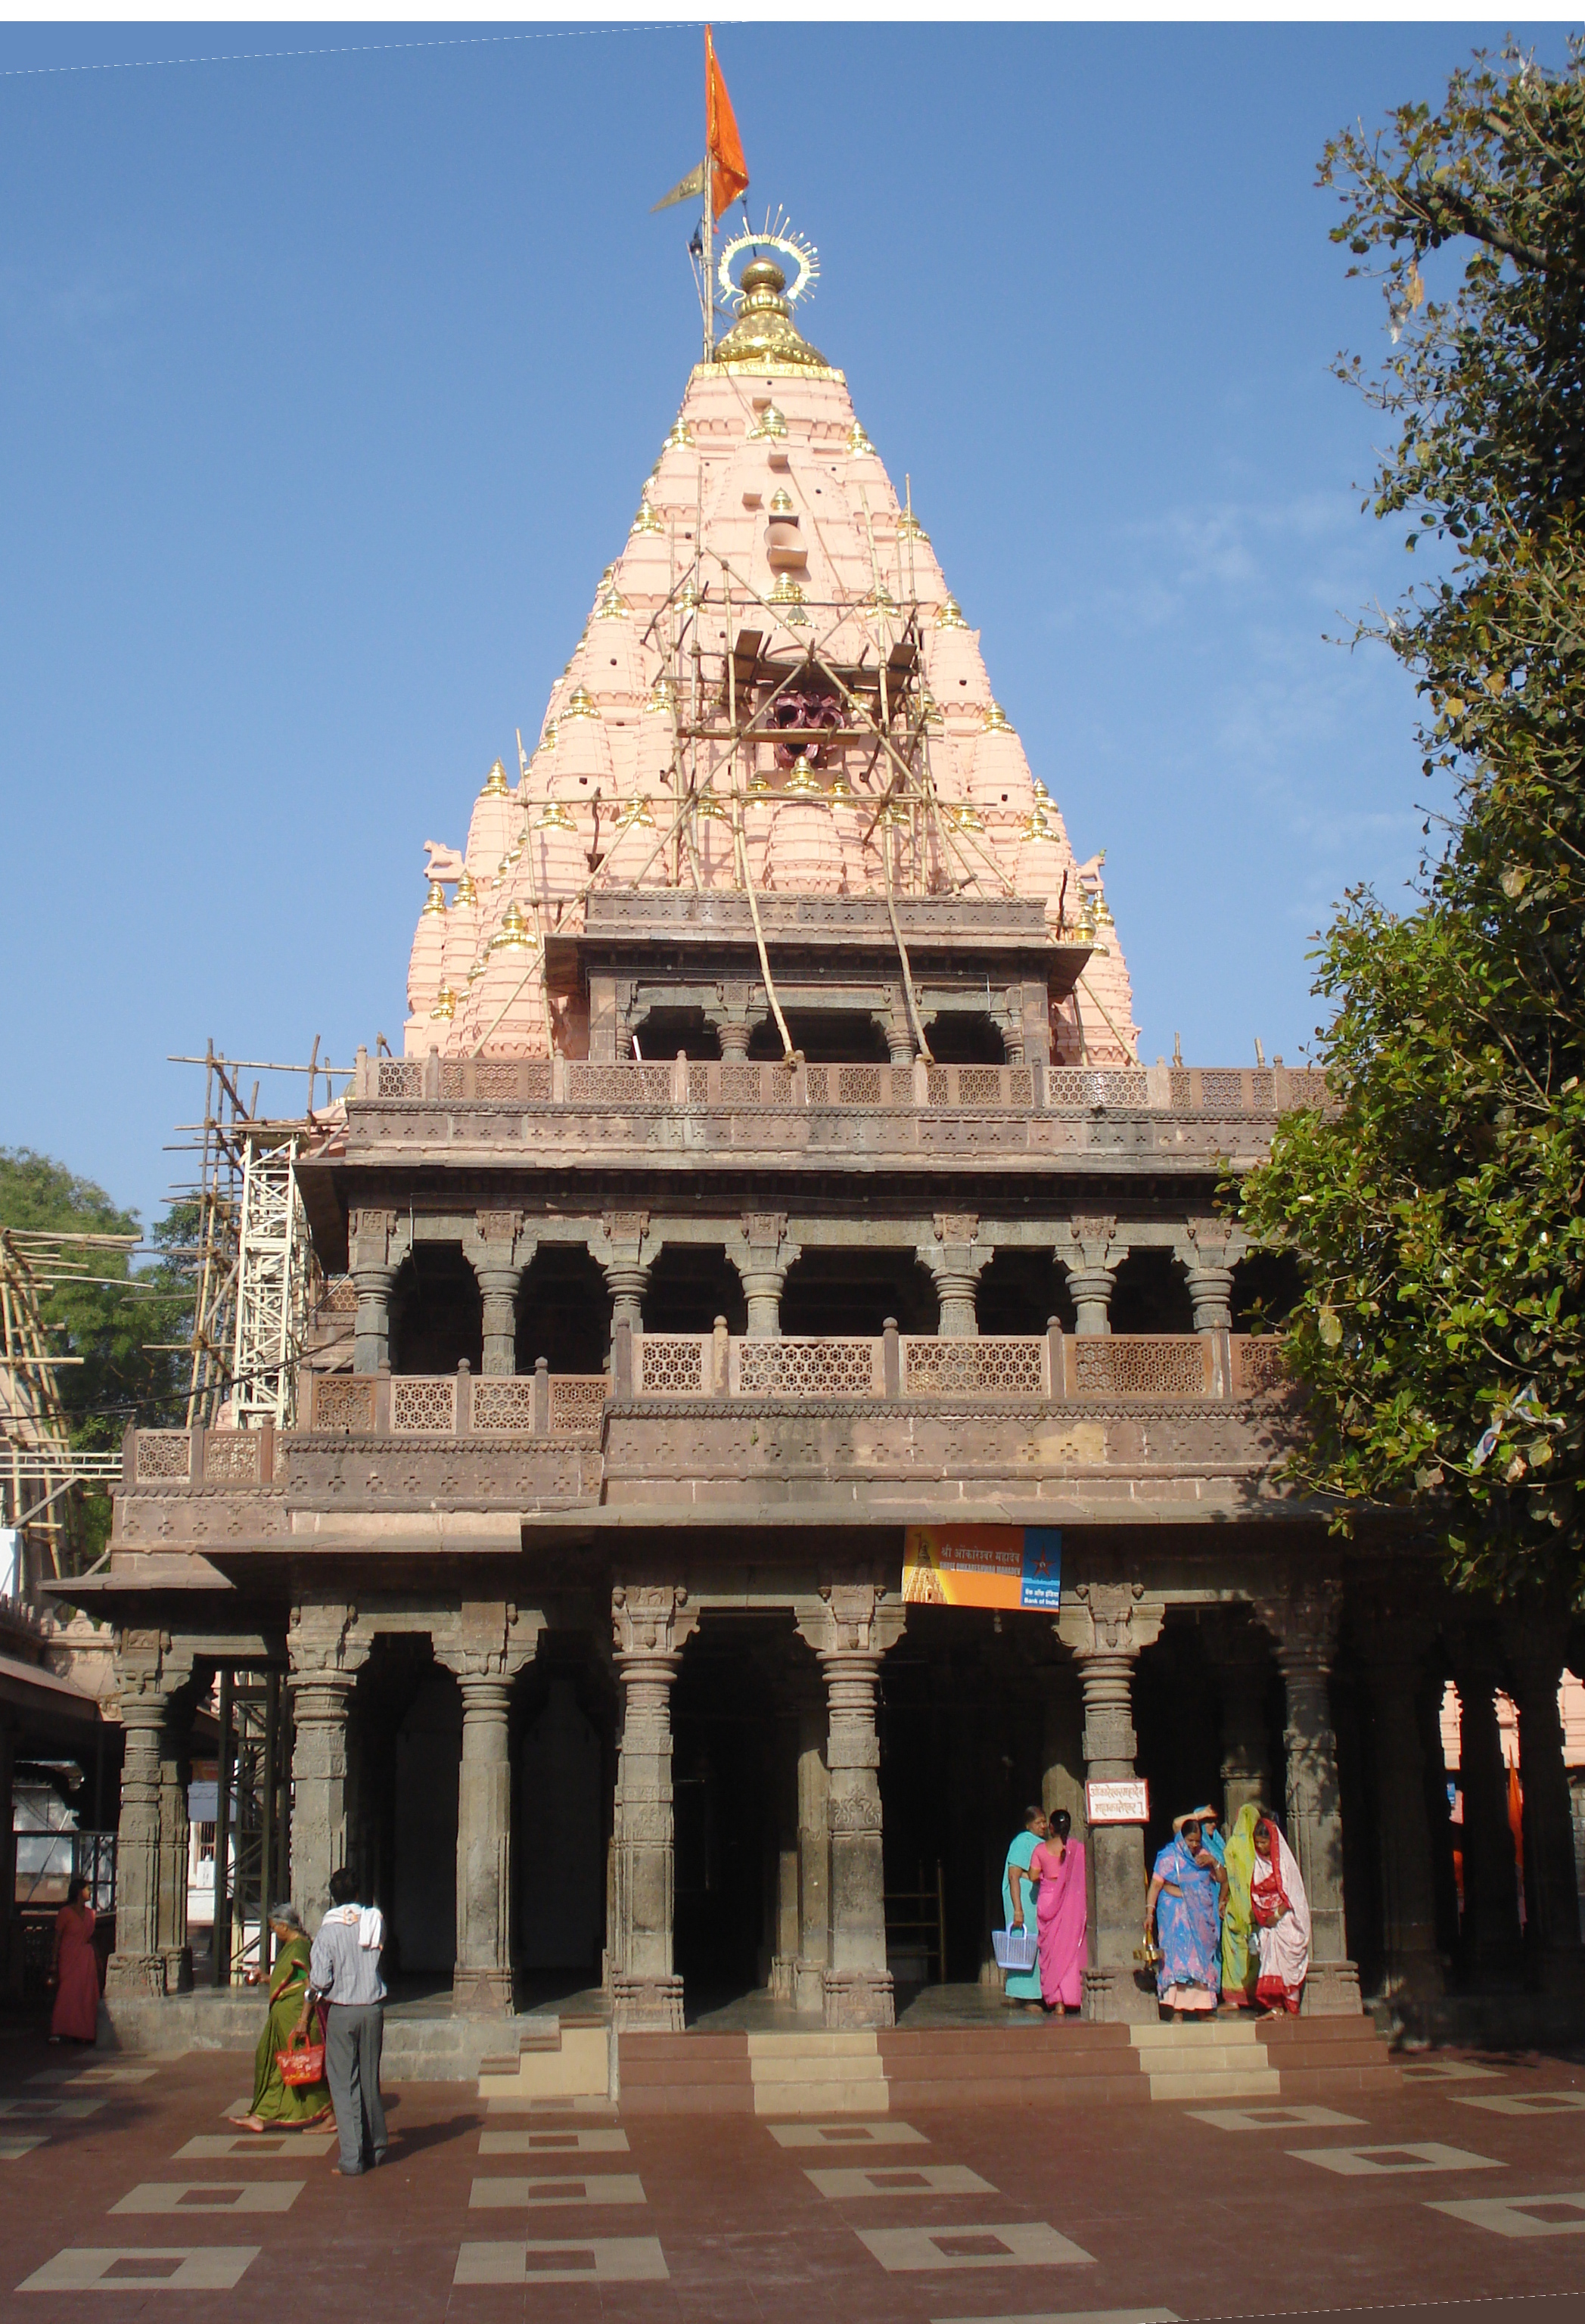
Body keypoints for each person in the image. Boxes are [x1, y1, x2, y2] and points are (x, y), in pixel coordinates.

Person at [299, 1867, 388, 2176]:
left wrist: (308, 2003)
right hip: (372, 2007)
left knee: (343, 2084)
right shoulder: (374, 1920)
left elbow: (321, 1980)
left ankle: (352, 2158)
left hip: (343, 2009)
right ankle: (375, 2147)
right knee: (369, 2081)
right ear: (357, 1894)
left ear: (333, 1897)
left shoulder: (328, 1931)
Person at [241, 1904, 331, 2132]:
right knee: (274, 2062)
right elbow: (291, 1981)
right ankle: (260, 2115)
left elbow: (310, 1984)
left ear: (284, 1926)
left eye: (275, 1929)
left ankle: (330, 2112)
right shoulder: (292, 1947)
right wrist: (266, 1978)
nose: (275, 1933)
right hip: (283, 2017)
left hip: (295, 2016)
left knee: (302, 2066)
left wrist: (303, 2019)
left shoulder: (299, 1947)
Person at [1144, 1813, 1228, 2020]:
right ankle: (1177, 2010)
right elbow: (1156, 1885)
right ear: (1182, 1838)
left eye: (1197, 1841)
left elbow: (1223, 1879)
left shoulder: (1204, 1855)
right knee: (1176, 1960)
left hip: (1199, 1915)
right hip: (1174, 1913)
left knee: (1200, 1961)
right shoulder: (1168, 1856)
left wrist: (1213, 1862)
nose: (1193, 1845)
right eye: (1190, 1841)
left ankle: (1202, 2009)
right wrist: (1149, 1913)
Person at [1249, 1813, 1311, 2017]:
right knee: (1270, 1962)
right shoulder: (1258, 1864)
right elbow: (1256, 1892)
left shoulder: (1285, 1864)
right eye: (1257, 1843)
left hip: (1286, 1922)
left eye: (1264, 1842)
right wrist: (1266, 1915)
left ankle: (1292, 2007)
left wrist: (1277, 1913)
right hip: (1269, 1925)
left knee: (1288, 1963)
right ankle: (1276, 2008)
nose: (1261, 1847)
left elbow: (1292, 1894)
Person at [1028, 1807, 1087, 2013]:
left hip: (1048, 1899)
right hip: (1072, 1903)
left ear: (1051, 1827)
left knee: (1053, 1951)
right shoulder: (1079, 1849)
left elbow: (1034, 1875)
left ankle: (1058, 2002)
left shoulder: (1041, 1850)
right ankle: (1072, 1997)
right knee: (1071, 1949)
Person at [1002, 1807, 1047, 2011]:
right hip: (1022, 1902)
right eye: (1039, 1823)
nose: (1043, 1826)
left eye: (1044, 1822)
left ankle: (1029, 1993)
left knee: (1033, 1942)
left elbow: (1030, 1873)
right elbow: (1014, 1875)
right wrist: (1017, 1909)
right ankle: (1026, 1995)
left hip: (1034, 1900)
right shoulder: (1022, 1842)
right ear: (1028, 1825)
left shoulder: (1041, 1844)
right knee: (1025, 1942)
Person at [47, 1877, 100, 2044]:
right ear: (79, 1892)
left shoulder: (91, 1914)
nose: (90, 1892)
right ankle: (60, 2029)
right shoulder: (66, 1913)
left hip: (86, 1956)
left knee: (86, 1993)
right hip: (69, 1955)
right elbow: (58, 1937)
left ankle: (84, 2031)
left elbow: (91, 1938)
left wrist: (98, 1958)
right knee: (68, 1991)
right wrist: (54, 1961)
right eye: (87, 1889)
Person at [1220, 1802, 1261, 2007]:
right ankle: (1253, 1994)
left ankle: (1234, 1998)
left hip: (1236, 1907)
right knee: (1253, 1951)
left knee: (1233, 1950)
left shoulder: (1234, 1844)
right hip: (1254, 1909)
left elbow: (1229, 1876)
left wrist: (1222, 1900)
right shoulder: (1260, 1847)